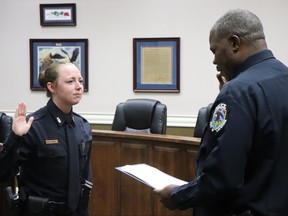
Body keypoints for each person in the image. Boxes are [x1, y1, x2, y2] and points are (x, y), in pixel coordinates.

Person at [154, 8, 288, 216]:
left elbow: (223, 179)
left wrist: (177, 196)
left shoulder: (237, 93)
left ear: (235, 43)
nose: (214, 61)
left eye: (215, 50)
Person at [0, 62, 93, 216]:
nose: (78, 86)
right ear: (52, 87)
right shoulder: (33, 125)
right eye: (70, 81)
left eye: (80, 80)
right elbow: (3, 172)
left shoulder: (83, 126)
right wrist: (15, 137)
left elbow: (85, 178)